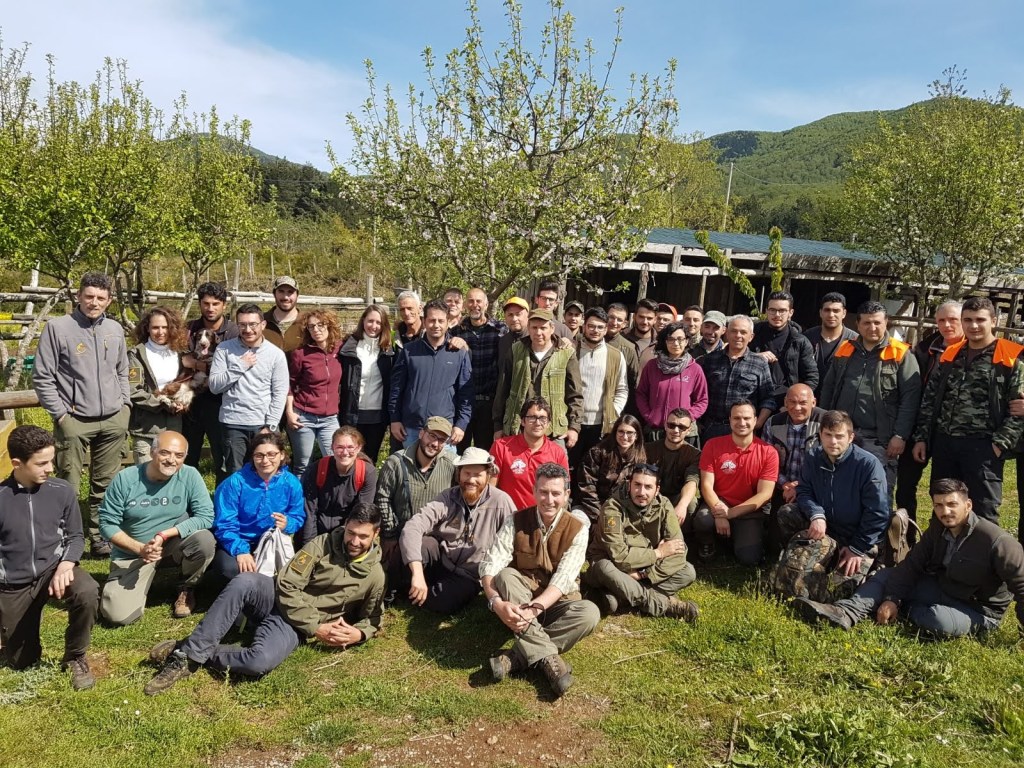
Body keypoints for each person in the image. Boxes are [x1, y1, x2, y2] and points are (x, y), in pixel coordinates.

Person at [144, 504, 385, 695]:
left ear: (376, 534)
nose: (354, 541)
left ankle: (189, 648)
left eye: (363, 536)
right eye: (351, 533)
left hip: (294, 627)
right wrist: (316, 627)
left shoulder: (375, 575)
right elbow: (287, 584)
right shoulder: (323, 544)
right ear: (345, 525)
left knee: (258, 662)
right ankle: (187, 658)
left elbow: (373, 617)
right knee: (245, 581)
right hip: (275, 597)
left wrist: (359, 634)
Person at [793, 479, 1024, 638]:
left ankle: (900, 608)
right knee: (887, 575)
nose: (945, 512)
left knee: (936, 620)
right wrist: (892, 597)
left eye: (952, 504)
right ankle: (845, 613)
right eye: (939, 505)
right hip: (943, 588)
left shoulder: (997, 541)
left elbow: (1022, 588)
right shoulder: (938, 528)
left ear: (968, 505)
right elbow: (913, 564)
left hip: (979, 610)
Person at [480, 463, 599, 698]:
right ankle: (547, 658)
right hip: (519, 600)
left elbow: (563, 579)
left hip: (556, 603)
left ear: (566, 495)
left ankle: (516, 657)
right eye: (543, 492)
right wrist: (496, 603)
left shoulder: (578, 529)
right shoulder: (515, 521)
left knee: (590, 613)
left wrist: (533, 610)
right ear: (534, 492)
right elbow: (490, 565)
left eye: (556, 493)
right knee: (505, 575)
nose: (549, 500)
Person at [34, 271, 130, 556]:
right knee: (67, 485)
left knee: (106, 484)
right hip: (74, 419)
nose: (94, 302)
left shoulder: (114, 329)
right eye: (89, 296)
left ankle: (100, 537)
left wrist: (125, 405)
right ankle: (64, 539)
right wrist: (61, 414)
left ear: (109, 300)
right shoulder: (58, 328)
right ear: (79, 296)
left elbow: (122, 370)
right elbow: (43, 376)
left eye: (101, 298)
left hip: (113, 418)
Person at [0, 426, 99, 690]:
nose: (50, 468)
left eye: (51, 460)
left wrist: (66, 564)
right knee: (22, 661)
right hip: (13, 583)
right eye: (41, 463)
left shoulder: (62, 490)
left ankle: (75, 655)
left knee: (87, 591)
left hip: (54, 570)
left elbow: (76, 536)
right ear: (17, 464)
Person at [911, 297, 1024, 524]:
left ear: (994, 321)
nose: (973, 325)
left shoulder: (1010, 357)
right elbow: (930, 399)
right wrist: (922, 437)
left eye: (980, 320)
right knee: (943, 507)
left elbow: (1019, 410)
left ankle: (983, 549)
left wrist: (999, 445)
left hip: (984, 446)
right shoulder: (951, 354)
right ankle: (942, 548)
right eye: (968, 320)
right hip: (946, 443)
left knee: (984, 511)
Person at [98, 431, 216, 624]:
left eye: (179, 455)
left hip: (172, 546)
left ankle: (186, 587)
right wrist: (139, 548)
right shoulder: (125, 479)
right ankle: (132, 583)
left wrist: (164, 534)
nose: (171, 460)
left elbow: (206, 516)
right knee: (117, 616)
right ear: (152, 452)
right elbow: (106, 523)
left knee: (204, 540)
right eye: (165, 453)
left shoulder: (190, 475)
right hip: (134, 554)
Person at [776, 410, 891, 592]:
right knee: (787, 513)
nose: (833, 441)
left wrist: (857, 548)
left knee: (838, 592)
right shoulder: (813, 457)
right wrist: (816, 514)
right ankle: (796, 555)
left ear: (850, 437)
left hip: (858, 535)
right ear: (820, 435)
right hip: (827, 528)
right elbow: (804, 491)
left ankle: (872, 562)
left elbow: (878, 513)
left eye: (839, 436)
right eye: (828, 435)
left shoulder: (868, 465)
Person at [819, 301, 921, 494]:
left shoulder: (901, 354)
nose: (872, 327)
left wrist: (900, 435)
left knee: (877, 492)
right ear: (857, 324)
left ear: (886, 322)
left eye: (877, 322)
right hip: (842, 435)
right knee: (839, 489)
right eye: (866, 323)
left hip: (879, 439)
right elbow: (828, 388)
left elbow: (911, 399)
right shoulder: (845, 349)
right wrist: (823, 423)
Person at [399, 448, 516, 613]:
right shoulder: (448, 496)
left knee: (443, 602)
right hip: (443, 560)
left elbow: (514, 540)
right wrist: (417, 573)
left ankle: (414, 592)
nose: (471, 480)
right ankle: (409, 586)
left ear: (488, 476)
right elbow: (413, 526)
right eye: (467, 473)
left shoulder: (501, 501)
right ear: (459, 474)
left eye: (478, 475)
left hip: (471, 575)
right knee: (422, 544)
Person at [584, 464, 698, 620]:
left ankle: (621, 596)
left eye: (648, 487)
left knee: (688, 571)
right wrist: (659, 553)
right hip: (612, 566)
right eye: (637, 485)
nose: (641, 492)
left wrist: (643, 574)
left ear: (657, 490)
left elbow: (678, 550)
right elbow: (620, 557)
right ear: (629, 485)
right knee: (604, 567)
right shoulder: (612, 508)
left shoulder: (664, 505)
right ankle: (666, 605)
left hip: (644, 569)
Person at [895, 300, 963, 528]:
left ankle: (941, 535)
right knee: (905, 485)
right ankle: (906, 534)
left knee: (945, 488)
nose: (947, 325)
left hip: (951, 431)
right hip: (919, 426)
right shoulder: (923, 350)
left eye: (953, 320)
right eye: (942, 320)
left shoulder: (972, 352)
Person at [208, 303, 289, 476]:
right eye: (242, 325)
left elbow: (280, 392)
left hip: (262, 424)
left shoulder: (276, 354)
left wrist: (270, 425)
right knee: (235, 473)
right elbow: (215, 386)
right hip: (233, 423)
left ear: (263, 325)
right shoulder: (224, 349)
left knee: (267, 472)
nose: (248, 329)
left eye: (253, 324)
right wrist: (240, 365)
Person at [376, 417, 458, 588]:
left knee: (426, 548)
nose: (434, 443)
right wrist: (389, 536)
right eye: (431, 436)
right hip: (400, 531)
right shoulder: (396, 462)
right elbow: (383, 499)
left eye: (441, 440)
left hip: (434, 536)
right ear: (421, 433)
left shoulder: (451, 464)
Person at [694, 400, 779, 564]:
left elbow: (765, 494)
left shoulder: (769, 452)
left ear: (755, 420)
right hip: (719, 503)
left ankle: (733, 537)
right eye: (736, 418)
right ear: (730, 420)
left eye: (747, 418)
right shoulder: (712, 445)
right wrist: (719, 511)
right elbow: (706, 485)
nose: (742, 422)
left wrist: (731, 514)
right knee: (703, 520)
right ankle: (708, 543)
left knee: (749, 558)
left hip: (749, 509)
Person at [212, 432, 305, 581]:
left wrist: (288, 523)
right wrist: (240, 550)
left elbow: (297, 515)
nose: (265, 460)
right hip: (238, 539)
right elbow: (225, 523)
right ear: (252, 457)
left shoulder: (291, 483)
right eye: (259, 455)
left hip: (271, 540)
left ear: (282, 455)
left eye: (271, 454)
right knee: (231, 569)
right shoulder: (234, 483)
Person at [389, 299, 474, 451]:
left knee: (443, 468)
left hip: (444, 430)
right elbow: (396, 389)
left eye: (441, 321)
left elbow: (466, 394)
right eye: (432, 320)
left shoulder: (459, 354)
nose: (436, 325)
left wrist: (461, 425)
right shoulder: (409, 351)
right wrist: (394, 420)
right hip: (412, 429)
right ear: (424, 321)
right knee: (409, 467)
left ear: (448, 322)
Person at [493, 309, 583, 449]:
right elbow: (502, 390)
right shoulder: (515, 350)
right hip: (518, 427)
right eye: (534, 328)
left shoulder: (566, 353)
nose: (538, 332)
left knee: (555, 463)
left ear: (552, 328)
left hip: (553, 430)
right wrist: (498, 425)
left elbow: (575, 394)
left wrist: (574, 427)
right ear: (528, 328)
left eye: (543, 328)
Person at [182, 281, 238, 484]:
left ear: (224, 304)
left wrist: (198, 365)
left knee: (222, 458)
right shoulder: (189, 329)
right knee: (187, 457)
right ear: (200, 304)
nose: (210, 308)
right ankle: (186, 500)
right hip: (191, 403)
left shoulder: (233, 332)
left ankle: (222, 501)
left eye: (215, 303)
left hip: (221, 404)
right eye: (206, 303)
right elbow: (180, 359)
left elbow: (234, 368)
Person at [698, 315, 777, 441]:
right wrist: (698, 422)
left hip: (744, 429)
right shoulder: (710, 360)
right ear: (726, 334)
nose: (738, 335)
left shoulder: (759, 363)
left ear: (751, 337)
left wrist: (758, 423)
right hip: (712, 428)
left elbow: (768, 398)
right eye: (734, 331)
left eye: (743, 332)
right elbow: (698, 394)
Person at [284, 309, 343, 476]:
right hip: (304, 416)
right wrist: (290, 412)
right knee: (303, 465)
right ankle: (300, 494)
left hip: (330, 418)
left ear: (329, 325)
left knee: (335, 460)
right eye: (311, 327)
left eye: (320, 325)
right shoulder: (301, 354)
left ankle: (328, 493)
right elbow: (290, 384)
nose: (316, 330)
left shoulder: (340, 349)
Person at [128, 306, 189, 464]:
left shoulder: (180, 354)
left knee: (170, 473)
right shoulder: (136, 354)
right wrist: (162, 403)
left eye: (165, 327)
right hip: (146, 428)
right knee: (146, 474)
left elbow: (187, 384)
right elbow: (133, 391)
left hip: (174, 427)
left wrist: (183, 402)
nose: (160, 332)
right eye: (155, 327)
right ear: (147, 328)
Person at [571, 307, 628, 473]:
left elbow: (622, 388)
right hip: (573, 422)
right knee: (570, 467)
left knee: (595, 469)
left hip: (600, 425)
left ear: (606, 329)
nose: (595, 330)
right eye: (591, 326)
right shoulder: (572, 351)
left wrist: (613, 410)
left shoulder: (615, 356)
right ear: (584, 326)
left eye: (600, 327)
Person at [300, 426, 378, 545]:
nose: (345, 453)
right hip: (316, 529)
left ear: (358, 448)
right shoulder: (317, 468)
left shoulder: (367, 472)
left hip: (348, 534)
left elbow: (360, 514)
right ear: (332, 447)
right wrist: (309, 545)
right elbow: (310, 511)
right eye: (340, 447)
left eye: (350, 447)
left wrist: (341, 543)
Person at [491, 398, 571, 510]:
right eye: (532, 417)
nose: (537, 423)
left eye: (543, 418)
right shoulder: (501, 447)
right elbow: (490, 489)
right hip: (509, 515)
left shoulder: (558, 453)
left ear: (548, 423)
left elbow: (562, 492)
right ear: (522, 421)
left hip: (544, 516)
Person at [338, 304, 395, 462]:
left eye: (378, 322)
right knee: (349, 457)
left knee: (370, 459)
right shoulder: (349, 347)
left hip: (377, 417)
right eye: (370, 321)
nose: (373, 326)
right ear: (363, 320)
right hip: (352, 413)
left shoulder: (389, 350)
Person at [452, 287, 506, 452]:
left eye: (478, 301)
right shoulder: (456, 332)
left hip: (489, 403)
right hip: (463, 403)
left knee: (484, 452)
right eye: (471, 301)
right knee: (459, 451)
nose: (475, 305)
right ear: (465, 305)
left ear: (486, 304)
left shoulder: (501, 330)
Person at [636, 321, 708, 441]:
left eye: (680, 339)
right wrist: (649, 416)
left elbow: (702, 400)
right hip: (655, 430)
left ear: (686, 341)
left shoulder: (695, 369)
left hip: (683, 432)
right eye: (671, 339)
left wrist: (688, 417)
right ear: (665, 341)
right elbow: (641, 394)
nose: (676, 343)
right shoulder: (652, 366)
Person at [760, 384, 825, 512]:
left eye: (803, 403)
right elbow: (765, 461)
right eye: (792, 402)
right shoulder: (773, 423)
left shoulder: (825, 422)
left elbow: (831, 462)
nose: (797, 407)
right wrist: (784, 484)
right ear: (785, 402)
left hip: (816, 491)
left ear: (813, 402)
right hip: (783, 490)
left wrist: (800, 486)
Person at [577, 414, 646, 524]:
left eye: (630, 433)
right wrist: (600, 515)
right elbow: (587, 487)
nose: (625, 437)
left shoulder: (641, 458)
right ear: (615, 432)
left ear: (636, 435)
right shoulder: (597, 453)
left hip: (622, 509)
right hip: (591, 507)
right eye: (621, 431)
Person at [751, 291, 818, 401]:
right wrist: (755, 356)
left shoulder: (800, 341)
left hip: (786, 400)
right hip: (753, 396)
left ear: (791, 312)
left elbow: (812, 377)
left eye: (782, 311)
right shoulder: (752, 334)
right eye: (772, 310)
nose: (777, 315)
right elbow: (734, 356)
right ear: (766, 311)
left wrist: (794, 401)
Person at [644, 408, 702, 526]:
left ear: (689, 430)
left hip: (677, 496)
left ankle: (682, 535)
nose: (676, 430)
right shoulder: (648, 449)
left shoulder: (694, 454)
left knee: (690, 503)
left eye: (682, 427)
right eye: (671, 425)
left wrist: (682, 505)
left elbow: (692, 482)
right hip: (652, 494)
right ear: (665, 426)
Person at [802, 292, 857, 394]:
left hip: (839, 397)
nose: (831, 315)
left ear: (844, 313)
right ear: (820, 312)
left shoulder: (854, 341)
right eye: (827, 310)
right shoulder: (807, 337)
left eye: (836, 311)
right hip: (810, 396)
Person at [604, 302, 642, 399]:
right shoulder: (588, 340)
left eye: (619, 320)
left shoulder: (629, 348)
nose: (614, 322)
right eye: (611, 317)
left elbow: (632, 380)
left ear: (625, 324)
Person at [262, 275, 304, 353]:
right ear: (274, 294)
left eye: (290, 292)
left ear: (297, 295)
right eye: (281, 291)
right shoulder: (260, 321)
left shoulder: (307, 322)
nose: (285, 297)